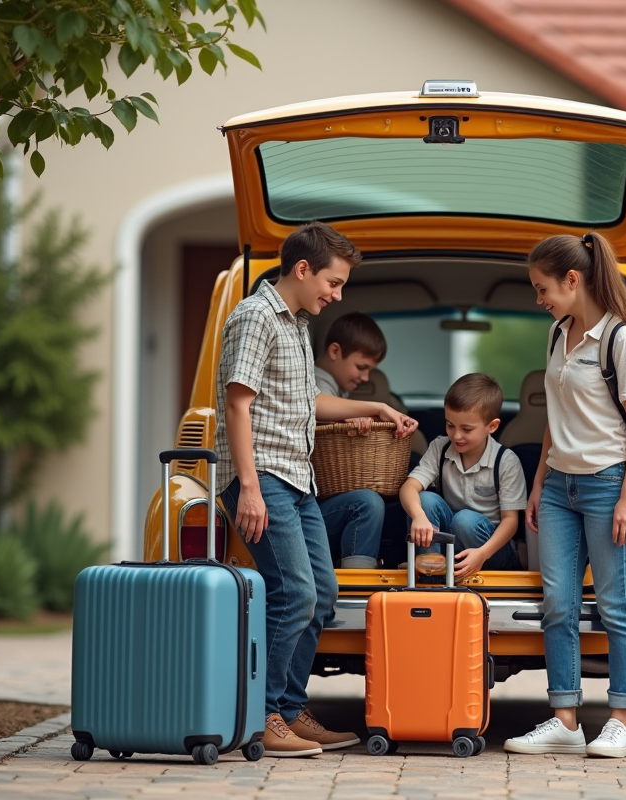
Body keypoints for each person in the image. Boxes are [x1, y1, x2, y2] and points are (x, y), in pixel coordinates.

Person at [214, 221, 418, 758]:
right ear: (302, 270)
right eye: (335, 281)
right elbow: (238, 405)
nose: (338, 293)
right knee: (294, 594)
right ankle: (263, 717)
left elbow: (310, 405)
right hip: (265, 479)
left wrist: (374, 406)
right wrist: (250, 489)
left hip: (297, 478)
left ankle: (288, 707)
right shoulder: (256, 317)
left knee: (322, 594)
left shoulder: (297, 323)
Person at [503, 232, 626, 759]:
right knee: (558, 605)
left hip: (608, 483)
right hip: (560, 488)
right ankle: (565, 719)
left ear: (573, 280)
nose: (539, 298)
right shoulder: (556, 334)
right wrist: (541, 477)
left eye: (543, 288)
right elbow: (555, 415)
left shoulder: (623, 342)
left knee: (616, 604)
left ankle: (621, 722)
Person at [399, 373, 527, 577]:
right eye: (450, 425)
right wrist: (418, 516)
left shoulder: (505, 461)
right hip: (449, 542)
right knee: (424, 499)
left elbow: (510, 522)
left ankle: (460, 564)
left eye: (466, 429)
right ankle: (430, 569)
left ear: (492, 426)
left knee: (464, 521)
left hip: (490, 550)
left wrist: (483, 553)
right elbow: (409, 487)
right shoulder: (440, 448)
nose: (456, 435)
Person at [313, 312, 389, 569]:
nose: (366, 378)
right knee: (368, 503)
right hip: (314, 501)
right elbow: (317, 406)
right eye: (361, 367)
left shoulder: (337, 388)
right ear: (335, 351)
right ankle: (359, 578)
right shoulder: (316, 383)